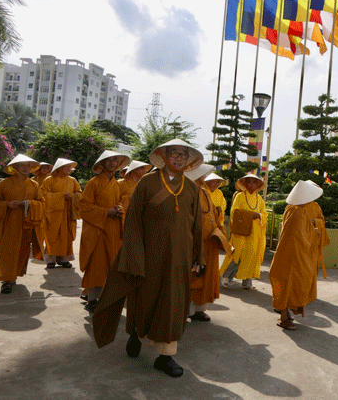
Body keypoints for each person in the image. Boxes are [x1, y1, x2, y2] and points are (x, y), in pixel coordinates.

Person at [93, 139, 204, 378]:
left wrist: (198, 256)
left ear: (189, 160)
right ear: (164, 156)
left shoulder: (193, 188)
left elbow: (197, 226)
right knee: (144, 299)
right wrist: (134, 254)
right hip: (149, 255)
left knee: (173, 305)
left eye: (184, 155)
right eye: (174, 153)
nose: (178, 158)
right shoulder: (147, 182)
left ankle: (165, 356)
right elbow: (132, 221)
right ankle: (136, 332)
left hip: (180, 258)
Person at [79, 150, 130, 312]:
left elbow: (119, 202)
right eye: (110, 161)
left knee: (112, 265)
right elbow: (84, 207)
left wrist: (119, 209)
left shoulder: (116, 184)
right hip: (97, 231)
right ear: (101, 164)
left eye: (116, 161)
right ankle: (92, 299)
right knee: (96, 265)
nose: (113, 163)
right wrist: (105, 212)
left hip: (114, 229)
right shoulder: (93, 183)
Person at [270, 180, 325, 330]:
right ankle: (283, 317)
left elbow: (306, 232)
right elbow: (295, 235)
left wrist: (314, 227)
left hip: (301, 254)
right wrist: (312, 231)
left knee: (296, 285)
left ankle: (286, 312)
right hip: (291, 255)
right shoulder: (294, 210)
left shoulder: (300, 209)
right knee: (288, 285)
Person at [0, 154, 44, 294]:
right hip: (8, 224)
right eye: (22, 165)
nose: (25, 168)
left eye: (28, 166)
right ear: (15, 167)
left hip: (25, 224)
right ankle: (7, 280)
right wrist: (7, 204)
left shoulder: (34, 185)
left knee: (20, 252)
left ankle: (13, 276)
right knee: (6, 251)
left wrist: (29, 204)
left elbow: (42, 203)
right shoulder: (4, 184)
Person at [185, 163, 228, 322]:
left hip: (208, 243)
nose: (204, 176)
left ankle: (199, 309)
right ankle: (185, 311)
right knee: (192, 276)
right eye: (202, 174)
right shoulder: (185, 191)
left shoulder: (204, 191)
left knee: (205, 277)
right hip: (193, 243)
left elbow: (210, 216)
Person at [219, 174, 268, 290]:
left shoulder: (259, 199)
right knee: (237, 254)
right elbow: (234, 212)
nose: (251, 185)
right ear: (245, 184)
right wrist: (251, 215)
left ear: (257, 185)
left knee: (251, 255)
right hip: (240, 232)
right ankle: (225, 277)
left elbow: (264, 214)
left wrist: (259, 216)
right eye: (249, 182)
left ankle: (247, 282)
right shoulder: (240, 196)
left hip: (254, 232)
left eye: (254, 182)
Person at [40, 158, 81, 269]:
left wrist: (72, 196)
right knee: (52, 236)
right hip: (52, 214)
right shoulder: (49, 180)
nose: (69, 169)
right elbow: (43, 195)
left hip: (67, 213)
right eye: (66, 167)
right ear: (59, 168)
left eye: (70, 167)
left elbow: (79, 194)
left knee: (66, 236)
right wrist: (61, 196)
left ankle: (64, 259)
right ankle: (50, 259)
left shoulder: (72, 180)